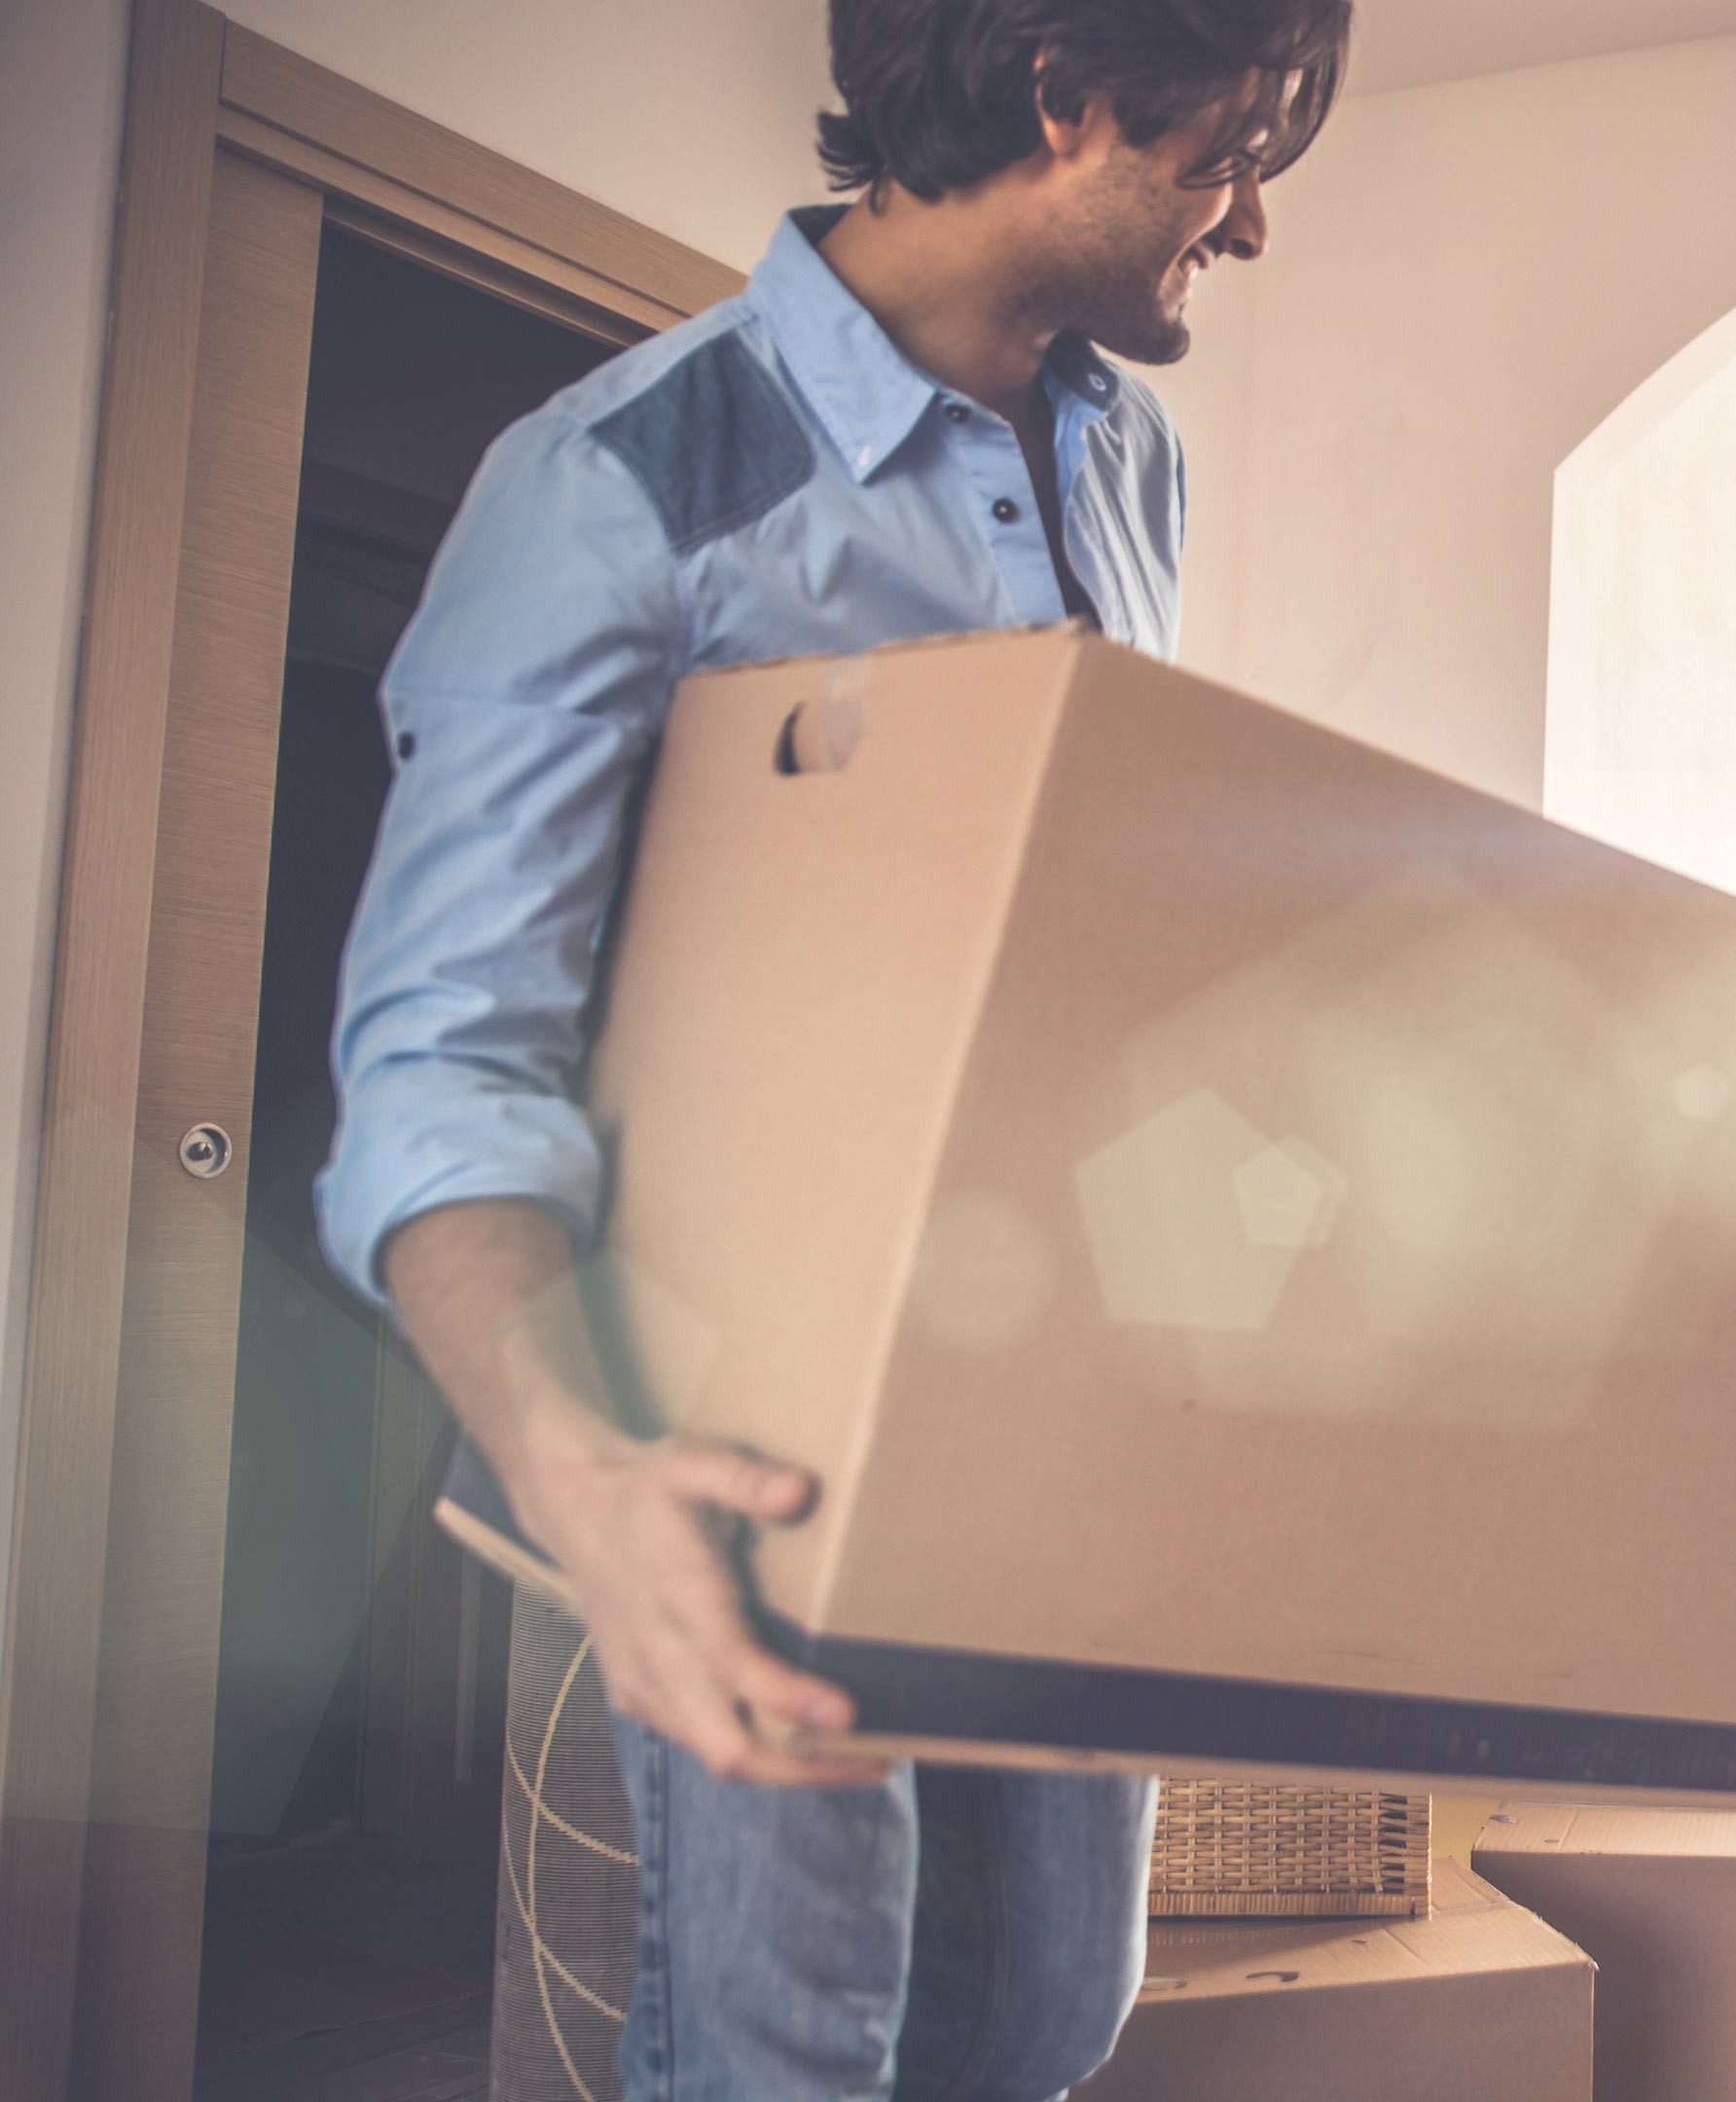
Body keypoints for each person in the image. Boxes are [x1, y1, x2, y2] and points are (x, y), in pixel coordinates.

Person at [312, 4, 1349, 2094]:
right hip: (748, 1408)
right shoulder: (616, 484)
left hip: (1057, 1377)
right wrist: (575, 1466)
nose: (1247, 224)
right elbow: (441, 1055)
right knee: (804, 2049)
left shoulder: (1131, 455)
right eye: (1227, 153)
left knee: (1052, 2017)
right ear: (1062, 91)